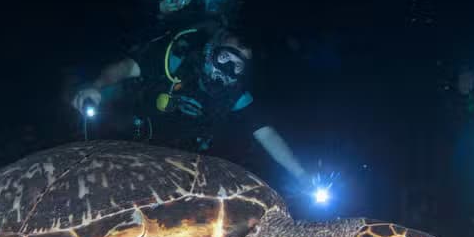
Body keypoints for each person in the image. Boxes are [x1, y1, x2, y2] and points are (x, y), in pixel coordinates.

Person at [70, 24, 307, 179]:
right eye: (225, 57)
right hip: (138, 133)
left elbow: (266, 133)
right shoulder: (177, 61)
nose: (227, 70)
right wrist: (96, 85)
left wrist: (301, 174)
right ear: (210, 52)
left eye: (237, 66)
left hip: (184, 159)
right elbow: (127, 67)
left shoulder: (234, 94)